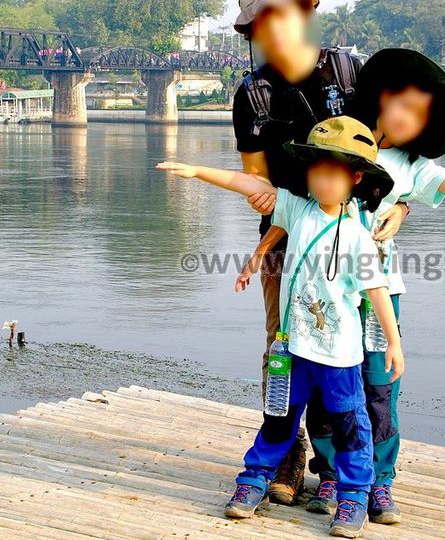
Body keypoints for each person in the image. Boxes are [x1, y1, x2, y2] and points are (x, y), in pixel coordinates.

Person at [234, 48, 445, 524]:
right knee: (325, 384)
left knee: (379, 385)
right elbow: (287, 201)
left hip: (377, 293)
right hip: (324, 294)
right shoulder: (339, 142)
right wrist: (258, 252)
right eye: (400, 102)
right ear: (381, 97)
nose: (404, 117)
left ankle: (379, 481)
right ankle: (333, 472)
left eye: (418, 114)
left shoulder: (412, 168)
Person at [157, 116, 402, 538]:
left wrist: (393, 343)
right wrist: (197, 171)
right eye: (317, 172)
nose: (324, 182)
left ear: (355, 178)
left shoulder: (360, 236)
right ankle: (253, 480)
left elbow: (377, 292)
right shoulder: (296, 208)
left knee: (349, 426)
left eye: (334, 174)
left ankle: (354, 497)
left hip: (339, 357)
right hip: (292, 350)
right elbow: (250, 184)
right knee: (278, 419)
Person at [230, 0, 408, 504]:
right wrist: (272, 203)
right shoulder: (253, 94)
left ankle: (353, 472)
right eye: (263, 19)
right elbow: (255, 176)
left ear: (305, 11)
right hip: (287, 241)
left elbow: (390, 154)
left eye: (284, 12)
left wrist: (399, 205)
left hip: (355, 240)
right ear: (253, 32)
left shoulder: (350, 73)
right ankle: (285, 461)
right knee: (282, 348)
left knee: (354, 357)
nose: (276, 27)